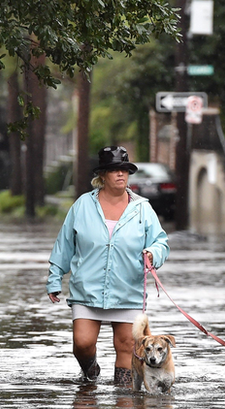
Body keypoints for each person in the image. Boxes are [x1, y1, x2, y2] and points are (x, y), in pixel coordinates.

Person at [46, 146, 170, 386]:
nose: (121, 175)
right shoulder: (82, 206)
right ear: (102, 175)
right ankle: (90, 371)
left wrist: (153, 254)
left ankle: (122, 404)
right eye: (114, 170)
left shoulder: (142, 208)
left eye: (124, 170)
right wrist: (54, 277)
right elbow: (64, 244)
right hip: (87, 289)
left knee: (126, 348)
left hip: (127, 290)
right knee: (82, 343)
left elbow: (160, 241)